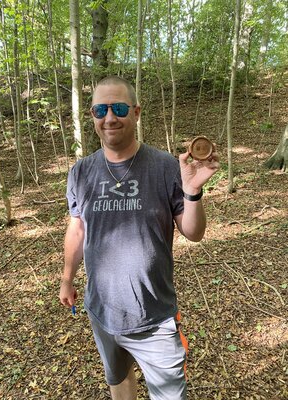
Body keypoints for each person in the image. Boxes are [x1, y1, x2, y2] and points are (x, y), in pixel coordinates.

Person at [59, 75, 220, 400]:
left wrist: (192, 192)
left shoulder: (164, 167)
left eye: (118, 108)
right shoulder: (81, 172)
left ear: (136, 112)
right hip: (101, 310)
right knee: (118, 379)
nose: (109, 117)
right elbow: (77, 228)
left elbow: (194, 232)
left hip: (154, 316)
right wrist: (66, 277)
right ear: (91, 115)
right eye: (100, 110)